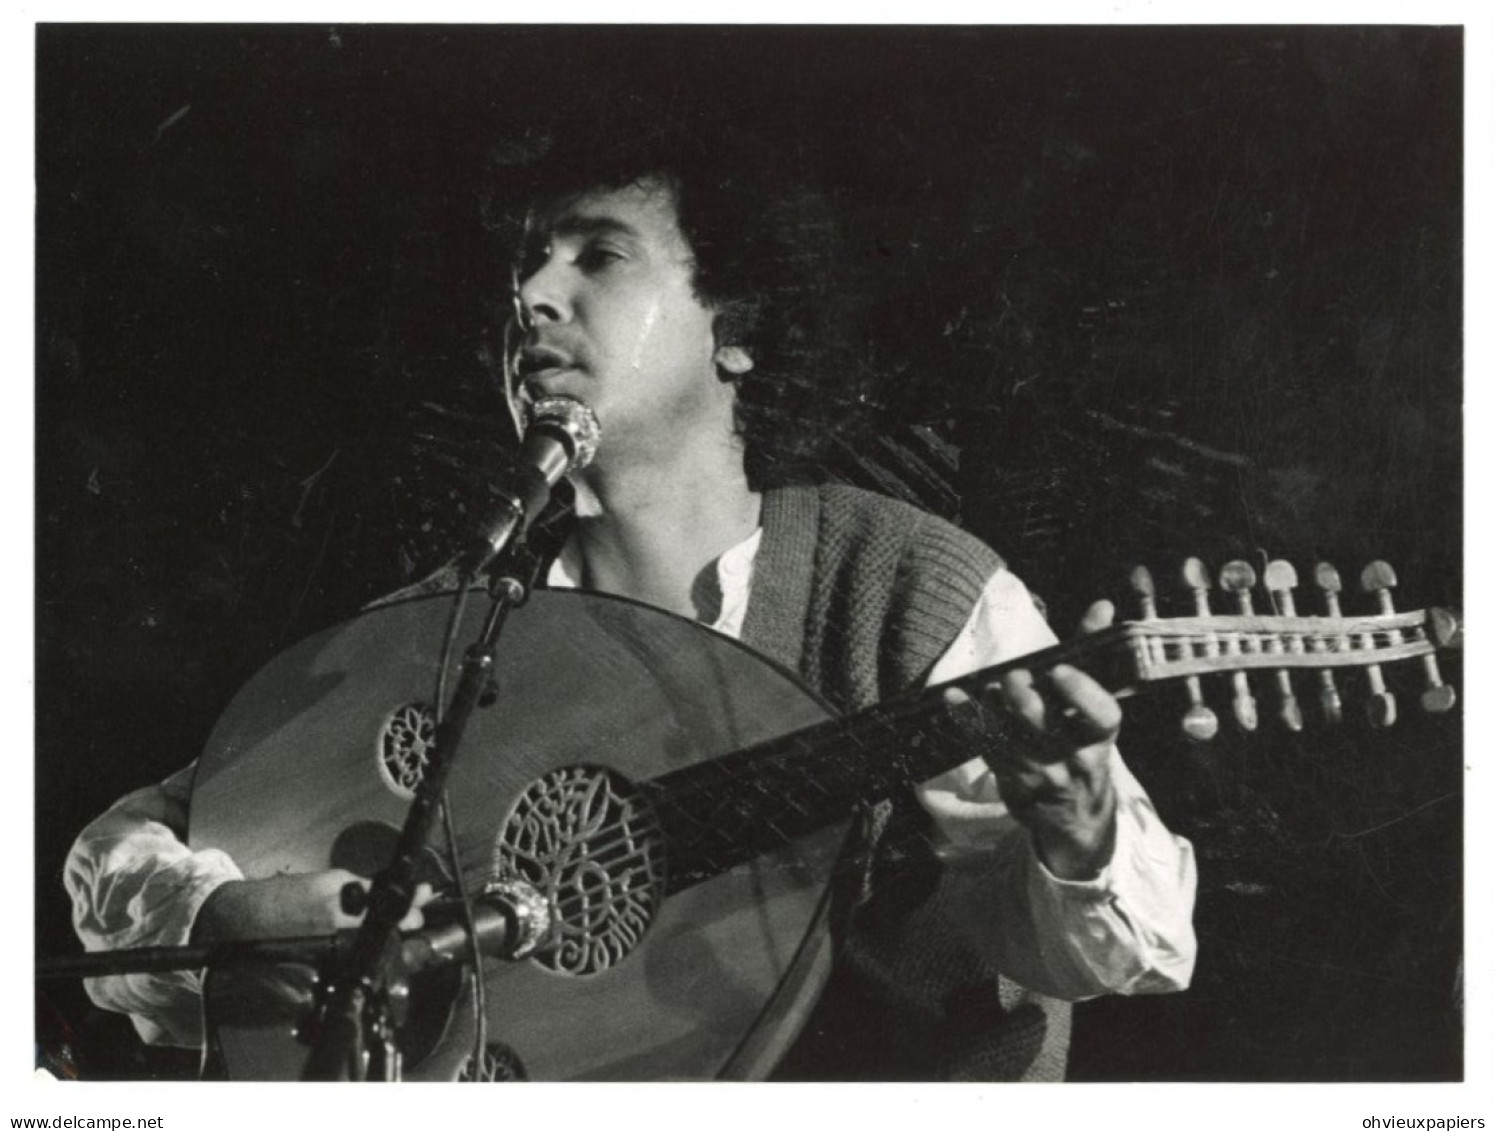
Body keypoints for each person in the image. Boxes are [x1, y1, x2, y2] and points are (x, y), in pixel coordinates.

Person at [64, 119, 1197, 1081]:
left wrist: (1075, 821)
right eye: (528, 262)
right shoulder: (455, 620)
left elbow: (1126, 948)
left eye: (598, 257)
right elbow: (133, 841)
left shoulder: (900, 584)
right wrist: (219, 921)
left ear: (737, 331)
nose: (533, 294)